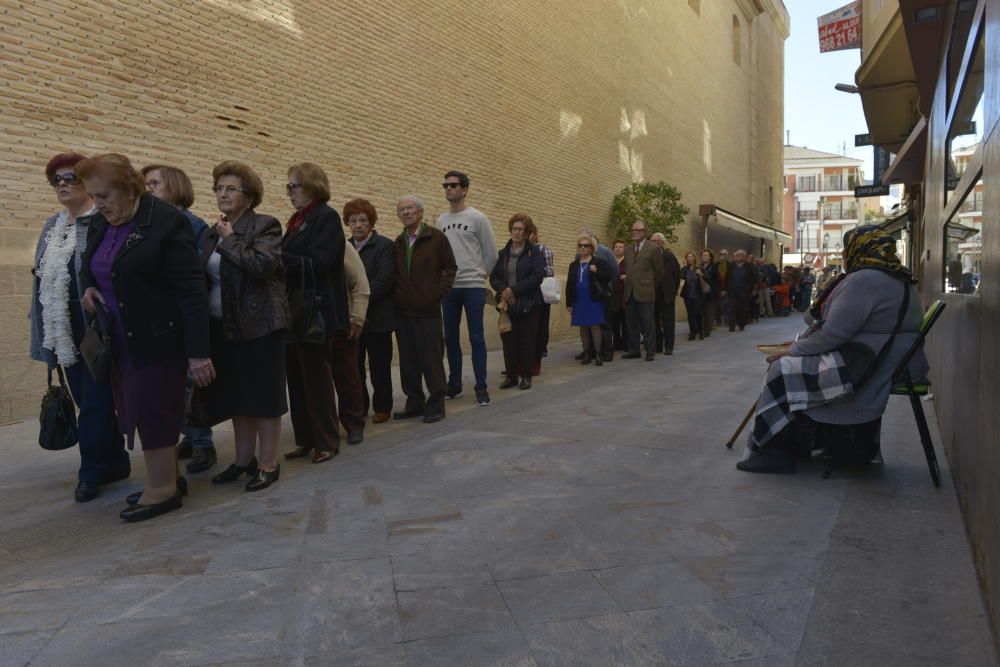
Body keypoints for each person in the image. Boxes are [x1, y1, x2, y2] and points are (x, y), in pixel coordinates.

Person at [77, 153, 212, 522]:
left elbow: (191, 290)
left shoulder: (166, 222)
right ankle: (169, 476)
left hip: (157, 338)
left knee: (154, 412)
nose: (98, 203)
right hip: (117, 338)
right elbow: (92, 264)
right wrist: (89, 289)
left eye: (103, 195)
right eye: (93, 195)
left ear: (127, 188)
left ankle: (163, 490)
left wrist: (199, 352)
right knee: (136, 409)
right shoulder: (101, 222)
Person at [737, 226, 927, 474]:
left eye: (846, 248)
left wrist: (794, 350)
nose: (844, 253)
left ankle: (776, 451)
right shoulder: (897, 277)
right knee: (791, 364)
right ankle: (802, 443)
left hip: (864, 365)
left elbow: (833, 334)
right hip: (885, 359)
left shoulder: (865, 280)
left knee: (781, 369)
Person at [29, 152, 130, 503]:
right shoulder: (50, 227)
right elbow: (41, 282)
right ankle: (115, 462)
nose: (62, 184)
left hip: (92, 323)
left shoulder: (100, 222)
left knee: (95, 402)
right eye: (55, 179)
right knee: (86, 398)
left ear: (87, 183)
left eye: (70, 177)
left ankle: (90, 473)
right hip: (61, 326)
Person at [193, 161, 289, 492]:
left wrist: (231, 239)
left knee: (263, 399)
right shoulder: (212, 230)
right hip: (224, 328)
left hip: (261, 326)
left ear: (249, 196)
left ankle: (268, 464)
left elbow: (262, 267)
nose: (223, 194)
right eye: (219, 188)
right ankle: (242, 460)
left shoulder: (265, 225)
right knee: (237, 399)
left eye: (231, 188)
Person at [280, 162, 358, 465]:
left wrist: (279, 256)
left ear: (311, 186)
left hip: (317, 310)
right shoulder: (297, 220)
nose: (289, 193)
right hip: (295, 310)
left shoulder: (325, 217)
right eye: (288, 187)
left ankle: (326, 441)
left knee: (316, 379)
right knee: (296, 379)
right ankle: (305, 439)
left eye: (293, 186)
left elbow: (321, 262)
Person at [142, 164, 216, 473]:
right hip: (161, 318)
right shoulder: (149, 223)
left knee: (191, 386)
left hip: (184, 315)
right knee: (174, 386)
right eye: (144, 184)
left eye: (154, 183)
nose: (147, 189)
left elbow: (196, 272)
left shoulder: (190, 224)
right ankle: (190, 435)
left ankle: (202, 443)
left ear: (175, 186)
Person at [393, 195, 457, 423]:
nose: (406, 212)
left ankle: (437, 404)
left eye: (410, 208)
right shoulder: (398, 242)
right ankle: (414, 403)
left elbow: (450, 268)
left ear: (420, 212)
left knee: (431, 360)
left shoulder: (436, 238)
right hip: (404, 313)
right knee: (408, 362)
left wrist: (437, 294)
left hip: (428, 311)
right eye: (401, 210)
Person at [437, 170, 497, 407]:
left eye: (453, 185)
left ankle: (481, 385)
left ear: (464, 189)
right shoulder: (441, 221)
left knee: (476, 336)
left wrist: (480, 275)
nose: (448, 189)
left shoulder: (478, 218)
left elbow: (490, 253)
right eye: (446, 185)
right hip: (449, 288)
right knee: (450, 337)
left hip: (472, 286)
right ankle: (454, 383)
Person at [345, 198, 396, 424]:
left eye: (363, 220)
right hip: (352, 320)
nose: (358, 225)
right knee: (355, 369)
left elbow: (384, 280)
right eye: (353, 220)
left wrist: (359, 299)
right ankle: (360, 407)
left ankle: (383, 407)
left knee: (379, 367)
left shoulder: (384, 246)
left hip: (378, 318)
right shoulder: (343, 247)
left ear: (371, 222)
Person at [490, 214, 545, 389]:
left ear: (527, 232)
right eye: (514, 228)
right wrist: (503, 291)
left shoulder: (534, 252)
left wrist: (514, 290)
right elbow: (494, 277)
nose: (517, 232)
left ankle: (526, 375)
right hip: (508, 303)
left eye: (521, 229)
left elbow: (537, 276)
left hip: (529, 303)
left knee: (527, 340)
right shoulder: (502, 253)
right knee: (508, 339)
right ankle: (511, 376)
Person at [566, 233, 612, 366]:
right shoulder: (573, 265)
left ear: (592, 248)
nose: (583, 248)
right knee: (583, 326)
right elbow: (569, 285)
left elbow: (608, 277)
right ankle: (586, 353)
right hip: (579, 300)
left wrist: (597, 271)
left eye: (586, 245)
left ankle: (598, 354)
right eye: (580, 246)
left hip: (594, 299)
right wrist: (569, 303)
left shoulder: (598, 262)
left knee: (595, 325)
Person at [622, 219, 663, 360]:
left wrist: (650, 285)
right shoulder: (627, 249)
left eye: (637, 230)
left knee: (647, 323)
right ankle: (634, 350)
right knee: (631, 323)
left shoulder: (653, 249)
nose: (634, 232)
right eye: (633, 230)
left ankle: (650, 351)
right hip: (630, 292)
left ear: (645, 232)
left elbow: (659, 272)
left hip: (645, 292)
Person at [651, 233, 682, 354]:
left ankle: (669, 346)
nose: (651, 242)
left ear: (661, 242)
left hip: (666, 293)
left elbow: (676, 275)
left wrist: (673, 290)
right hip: (652, 293)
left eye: (654, 240)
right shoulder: (649, 256)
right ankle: (657, 345)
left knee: (668, 321)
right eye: (651, 240)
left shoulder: (669, 257)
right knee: (653, 320)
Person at [529, 228, 554, 373]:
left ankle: (539, 354)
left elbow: (550, 271)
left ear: (536, 234)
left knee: (540, 326)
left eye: (530, 232)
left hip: (541, 293)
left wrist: (531, 273)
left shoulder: (544, 250)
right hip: (525, 293)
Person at [724, 249, 755, 331]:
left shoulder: (748, 267)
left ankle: (741, 324)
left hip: (744, 291)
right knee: (731, 308)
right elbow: (727, 278)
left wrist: (752, 289)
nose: (738, 256)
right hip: (732, 291)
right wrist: (725, 289)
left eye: (740, 255)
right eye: (737, 255)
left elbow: (754, 279)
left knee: (742, 308)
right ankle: (732, 325)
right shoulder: (731, 266)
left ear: (744, 257)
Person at [679, 252, 705, 341]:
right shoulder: (684, 270)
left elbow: (707, 278)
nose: (689, 258)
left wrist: (701, 274)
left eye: (691, 257)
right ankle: (692, 332)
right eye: (687, 257)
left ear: (694, 258)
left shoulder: (699, 268)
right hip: (687, 295)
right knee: (690, 315)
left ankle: (701, 331)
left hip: (698, 295)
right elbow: (681, 279)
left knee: (698, 314)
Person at [610, 240, 628, 352]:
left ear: (624, 249)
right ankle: (616, 343)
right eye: (616, 246)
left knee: (625, 322)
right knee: (614, 323)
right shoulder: (610, 262)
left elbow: (634, 274)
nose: (618, 248)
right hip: (613, 296)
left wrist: (627, 276)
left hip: (625, 296)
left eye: (620, 247)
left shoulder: (628, 262)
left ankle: (626, 344)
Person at [698, 249, 719, 338]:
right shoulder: (699, 266)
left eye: (706, 255)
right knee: (700, 312)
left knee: (708, 312)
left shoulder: (714, 267)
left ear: (710, 257)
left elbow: (713, 280)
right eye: (703, 255)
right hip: (700, 292)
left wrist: (702, 275)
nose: (704, 256)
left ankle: (707, 330)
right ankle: (700, 329)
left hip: (710, 292)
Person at [715, 249, 730, 326]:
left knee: (726, 306)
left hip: (726, 289)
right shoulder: (716, 265)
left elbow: (731, 279)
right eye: (721, 254)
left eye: (724, 254)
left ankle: (727, 321)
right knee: (717, 306)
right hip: (717, 289)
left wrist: (726, 290)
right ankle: (718, 321)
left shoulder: (730, 265)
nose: (722, 256)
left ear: (727, 256)